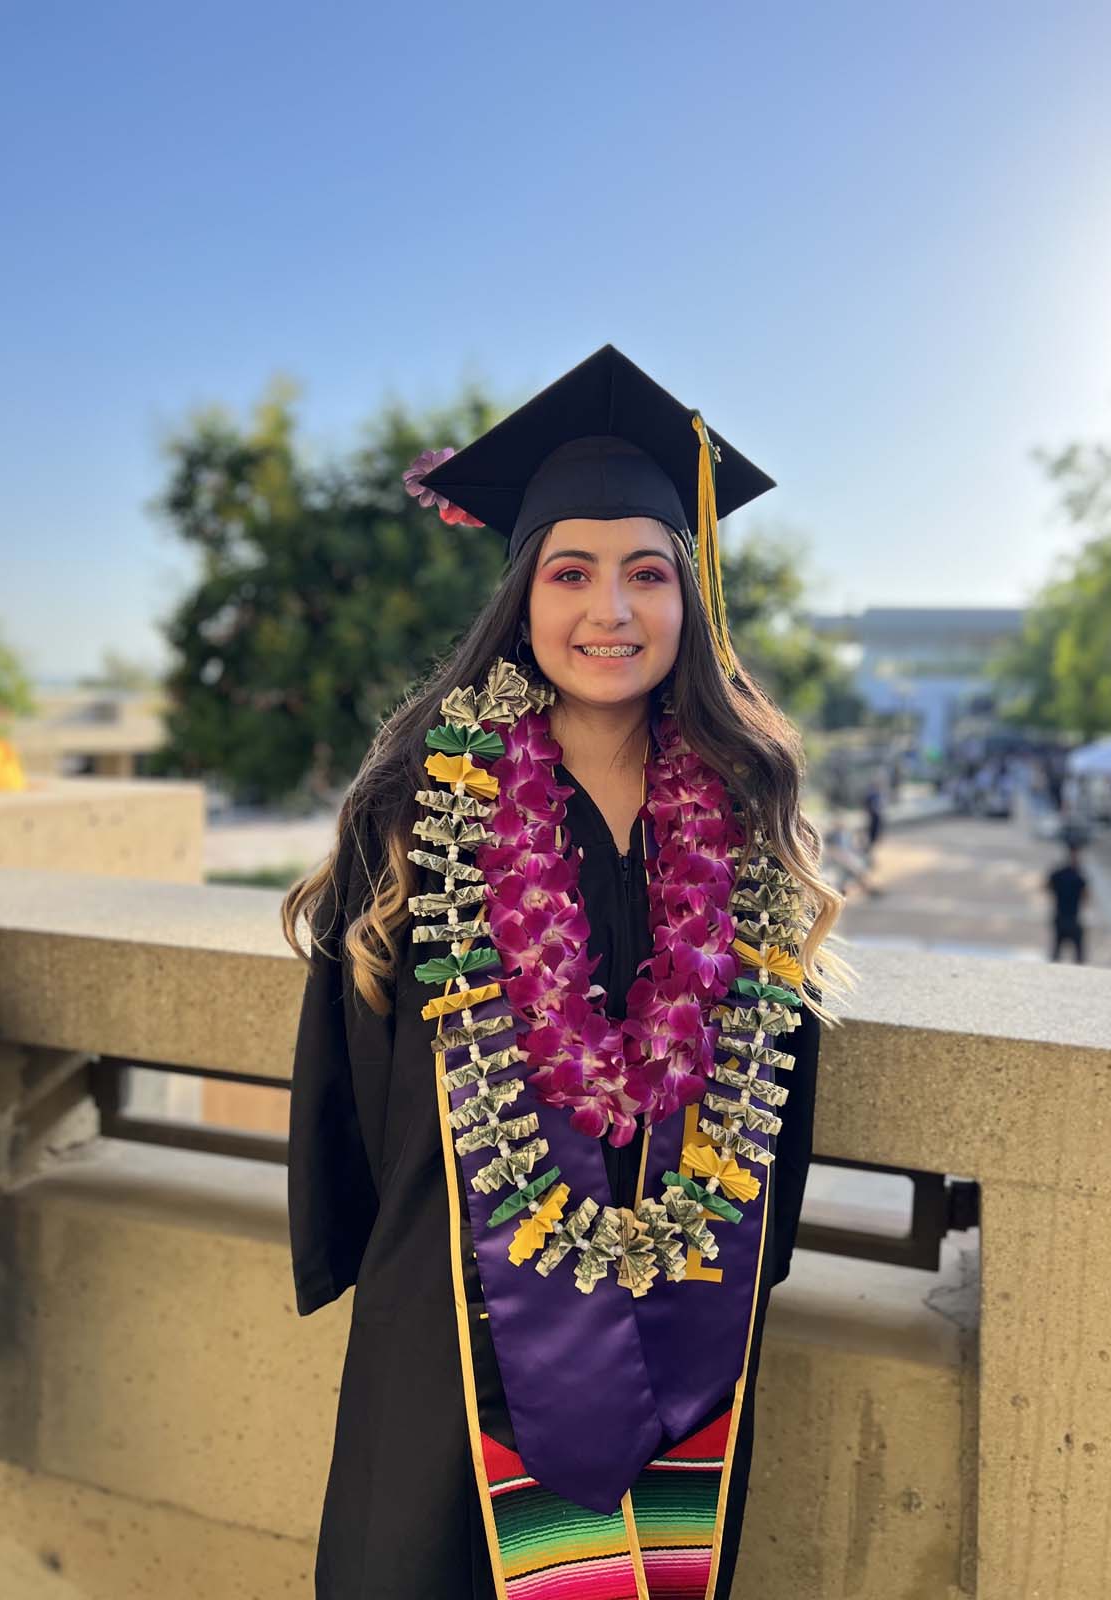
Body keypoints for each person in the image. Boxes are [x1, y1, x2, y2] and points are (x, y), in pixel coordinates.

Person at [282, 344, 851, 1600]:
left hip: (684, 1316)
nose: (612, 610)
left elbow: (778, 1062)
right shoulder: (420, 804)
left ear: (687, 598)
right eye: (572, 572)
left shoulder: (744, 811)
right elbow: (356, 1062)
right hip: (456, 1308)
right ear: (522, 595)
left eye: (649, 572)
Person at [1046, 843, 1088, 963]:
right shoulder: (1079, 876)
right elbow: (1086, 897)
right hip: (1072, 917)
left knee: (1057, 950)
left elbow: (1047, 887)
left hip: (1060, 916)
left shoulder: (1058, 873)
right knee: (1078, 954)